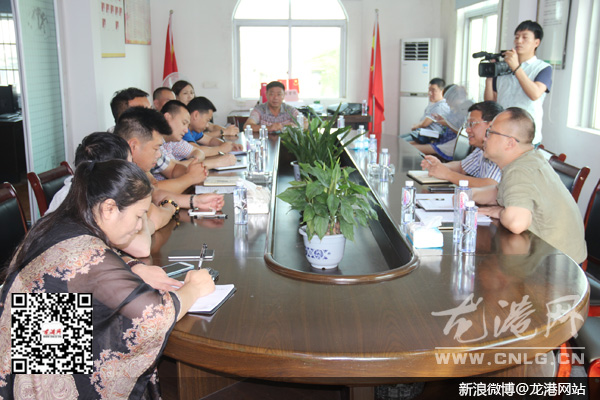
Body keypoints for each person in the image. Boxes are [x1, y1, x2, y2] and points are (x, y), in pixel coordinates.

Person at [0, 160, 215, 398]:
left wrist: (132, 266)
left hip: (29, 349)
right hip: (45, 376)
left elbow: (95, 266)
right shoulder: (85, 253)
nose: (140, 226)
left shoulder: (60, 223)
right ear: (109, 208)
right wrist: (194, 288)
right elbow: (152, 317)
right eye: (138, 216)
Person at [45, 132, 183, 290]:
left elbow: (101, 254)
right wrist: (191, 290)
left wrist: (131, 264)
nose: (133, 170)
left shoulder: (88, 193)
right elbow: (142, 247)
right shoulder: (84, 200)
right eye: (129, 165)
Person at [472, 107, 586, 264]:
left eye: (490, 133)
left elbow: (516, 223)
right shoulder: (528, 159)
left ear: (510, 143)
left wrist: (499, 212)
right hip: (557, 257)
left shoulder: (520, 170)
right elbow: (499, 191)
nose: (485, 138)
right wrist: (468, 194)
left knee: (483, 265)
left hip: (558, 265)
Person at [115, 106, 224, 211]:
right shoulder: (118, 172)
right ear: (133, 146)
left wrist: (195, 198)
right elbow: (153, 199)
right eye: (156, 148)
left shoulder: (139, 162)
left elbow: (156, 190)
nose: (159, 154)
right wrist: (190, 178)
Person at [484, 20, 552, 145]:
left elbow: (534, 94)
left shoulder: (543, 68)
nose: (519, 41)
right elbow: (490, 102)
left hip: (526, 138)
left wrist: (516, 67)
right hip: (502, 134)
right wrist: (489, 77)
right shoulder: (503, 67)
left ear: (536, 42)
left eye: (525, 37)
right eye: (516, 37)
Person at [421, 101, 504, 187]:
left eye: (472, 124)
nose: (467, 130)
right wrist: (438, 166)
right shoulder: (480, 149)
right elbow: (461, 167)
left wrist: (448, 174)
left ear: (491, 125)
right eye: (467, 125)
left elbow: (490, 185)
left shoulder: (500, 151)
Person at [160, 100, 235, 171]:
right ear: (167, 117)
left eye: (187, 125)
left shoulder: (173, 141)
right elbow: (173, 169)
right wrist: (218, 159)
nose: (186, 130)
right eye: (183, 123)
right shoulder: (158, 145)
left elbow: (198, 152)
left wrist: (192, 161)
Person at [411, 85, 473, 161]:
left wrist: (447, 124)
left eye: (447, 99)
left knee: (411, 148)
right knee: (409, 144)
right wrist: (443, 119)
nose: (446, 102)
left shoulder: (464, 113)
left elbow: (462, 133)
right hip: (444, 141)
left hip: (451, 145)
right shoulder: (453, 111)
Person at [172, 80, 238, 136]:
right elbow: (199, 137)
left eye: (192, 93)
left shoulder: (195, 109)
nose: (190, 96)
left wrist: (229, 130)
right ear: (176, 96)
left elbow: (212, 127)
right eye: (185, 93)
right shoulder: (177, 116)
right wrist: (224, 132)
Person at [404, 78, 450, 143]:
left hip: (429, 137)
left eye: (433, 90)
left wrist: (414, 126)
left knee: (399, 142)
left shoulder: (440, 106)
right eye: (429, 90)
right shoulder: (433, 104)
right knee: (397, 139)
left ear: (442, 91)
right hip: (421, 133)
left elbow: (424, 124)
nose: (430, 93)